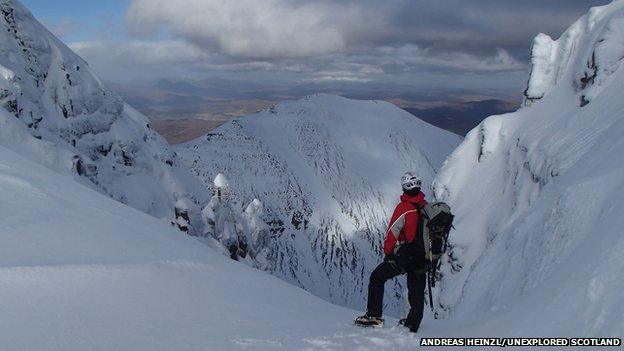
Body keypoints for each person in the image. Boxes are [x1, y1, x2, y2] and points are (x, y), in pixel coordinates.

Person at [355, 171, 428, 333]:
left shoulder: (404, 207)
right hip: (423, 257)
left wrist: (388, 253)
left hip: (405, 256)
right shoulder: (426, 206)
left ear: (404, 188)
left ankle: (374, 316)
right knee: (416, 290)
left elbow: (392, 233)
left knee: (377, 277)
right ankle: (412, 324)